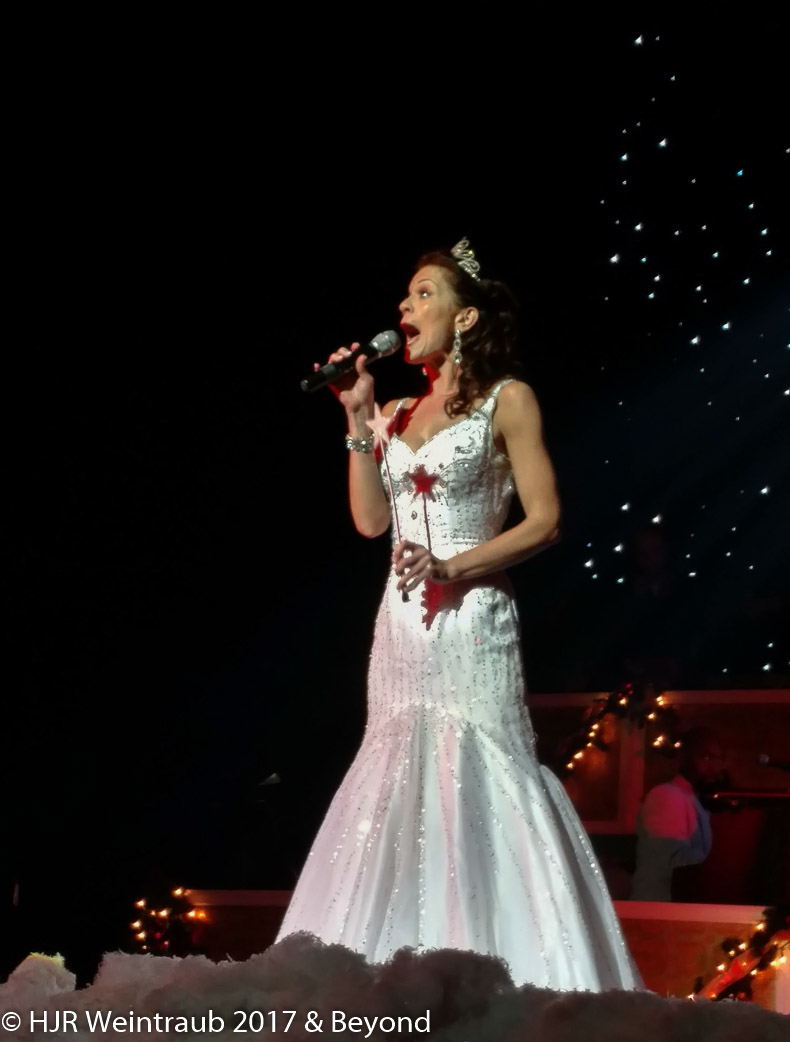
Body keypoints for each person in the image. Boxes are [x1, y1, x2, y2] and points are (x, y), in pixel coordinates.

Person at [276, 239, 641, 990]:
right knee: (395, 777)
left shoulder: (510, 398)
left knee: (478, 771)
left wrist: (453, 565)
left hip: (472, 620)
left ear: (465, 316)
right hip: (401, 628)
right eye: (404, 296)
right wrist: (358, 415)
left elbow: (545, 520)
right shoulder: (395, 411)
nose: (404, 308)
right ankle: (389, 974)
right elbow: (371, 523)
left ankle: (493, 974)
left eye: (423, 295)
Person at [630, 727, 727, 901]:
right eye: (706, 757)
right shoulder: (667, 796)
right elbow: (673, 863)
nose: (715, 767)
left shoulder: (699, 800)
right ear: (684, 758)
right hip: (659, 908)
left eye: (719, 759)